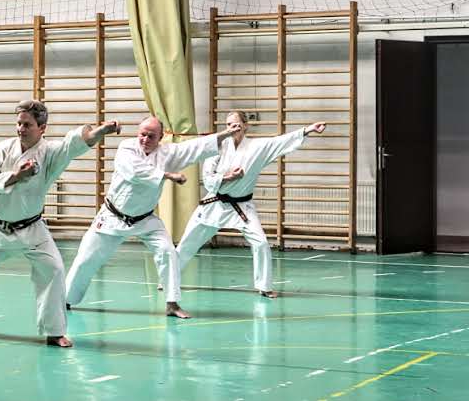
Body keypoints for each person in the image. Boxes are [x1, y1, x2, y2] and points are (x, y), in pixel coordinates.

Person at [0, 100, 120, 348]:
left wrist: (103, 130)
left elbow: (76, 143)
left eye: (27, 124)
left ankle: (54, 331)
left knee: (54, 270)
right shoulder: (3, 148)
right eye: (19, 123)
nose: (20, 129)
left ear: (42, 128)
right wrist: (16, 176)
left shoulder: (50, 152)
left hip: (31, 228)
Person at [64, 116, 240, 318]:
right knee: (86, 259)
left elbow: (195, 147)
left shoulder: (167, 153)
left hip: (145, 220)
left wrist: (226, 133)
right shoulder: (126, 148)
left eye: (151, 136)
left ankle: (172, 304)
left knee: (168, 252)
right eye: (142, 134)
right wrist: (168, 175)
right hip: (113, 217)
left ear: (161, 137)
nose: (145, 139)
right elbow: (134, 172)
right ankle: (66, 299)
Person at [177, 111, 327, 298]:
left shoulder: (257, 147)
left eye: (236, 124)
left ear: (246, 125)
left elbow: (281, 141)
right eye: (229, 125)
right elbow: (208, 179)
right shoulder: (218, 146)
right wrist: (228, 177)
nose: (233, 128)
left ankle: (264, 286)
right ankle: (167, 279)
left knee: (261, 243)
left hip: (242, 207)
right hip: (214, 204)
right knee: (188, 242)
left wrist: (308, 129)